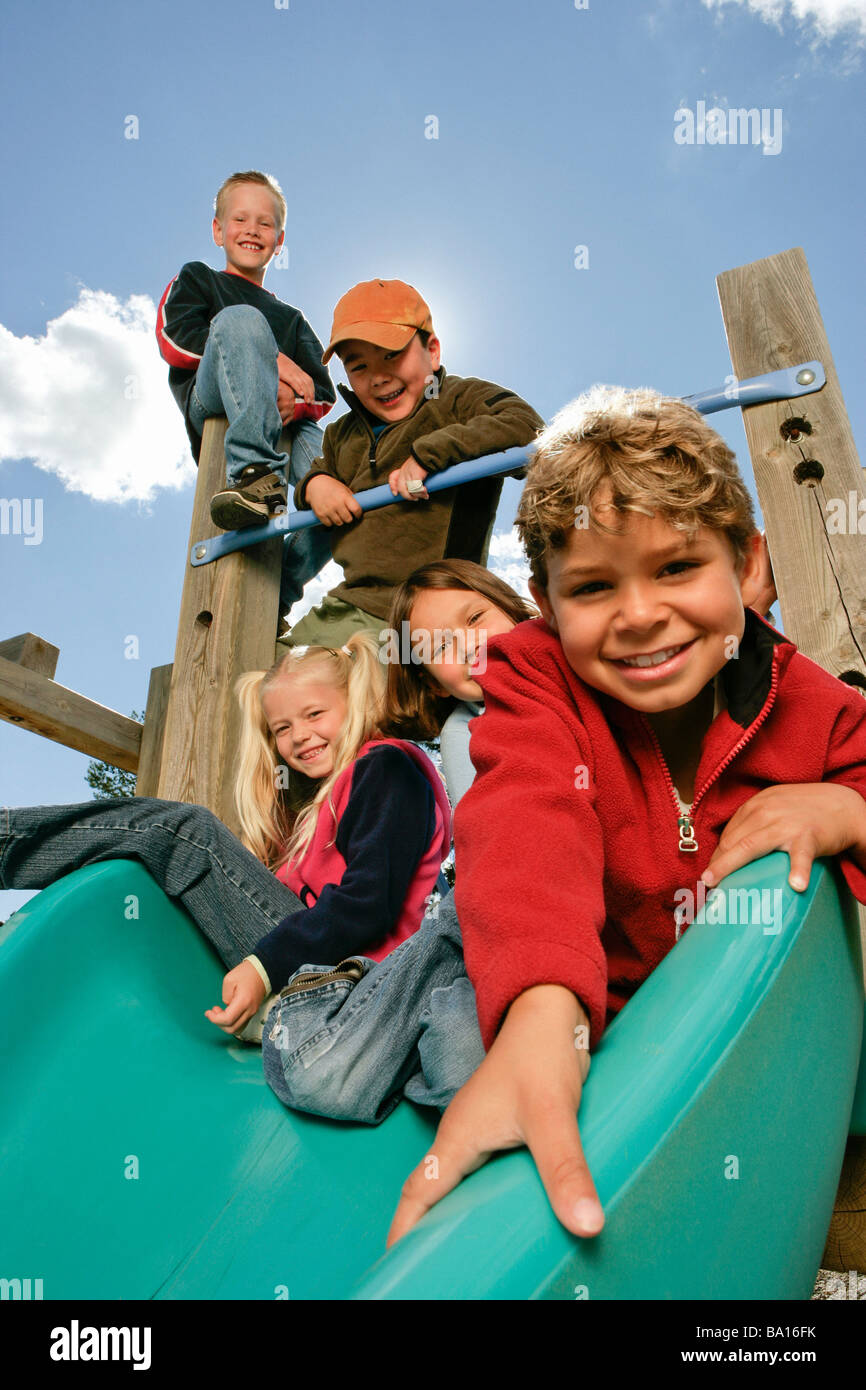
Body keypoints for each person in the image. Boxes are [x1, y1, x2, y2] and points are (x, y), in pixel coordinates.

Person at [388, 384, 866, 1246]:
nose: (642, 614)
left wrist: (847, 807)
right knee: (478, 1064)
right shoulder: (534, 681)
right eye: (594, 586)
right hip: (596, 1010)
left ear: (747, 564)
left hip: (747, 1011)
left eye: (678, 566)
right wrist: (540, 1011)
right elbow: (527, 818)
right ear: (546, 600)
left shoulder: (808, 702)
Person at [0, 635, 482, 1122]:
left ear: (354, 702)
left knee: (186, 834)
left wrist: (265, 965)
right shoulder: (317, 811)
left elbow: (369, 903)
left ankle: (5, 841)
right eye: (282, 728)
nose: (299, 736)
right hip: (323, 973)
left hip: (358, 983)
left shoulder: (387, 767)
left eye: (315, 715)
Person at [277, 277, 544, 654]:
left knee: (381, 694)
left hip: (435, 603)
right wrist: (316, 485)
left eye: (391, 355)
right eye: (359, 366)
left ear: (432, 351)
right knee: (278, 680)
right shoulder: (343, 433)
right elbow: (319, 472)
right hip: (355, 603)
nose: (379, 377)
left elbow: (526, 427)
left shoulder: (456, 400)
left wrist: (428, 455)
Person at [155, 169, 336, 610]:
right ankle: (255, 475)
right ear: (218, 230)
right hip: (213, 396)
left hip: (285, 421)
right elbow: (175, 340)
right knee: (241, 321)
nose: (252, 230)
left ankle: (281, 592)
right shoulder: (199, 278)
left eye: (265, 223)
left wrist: (296, 401)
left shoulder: (291, 317)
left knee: (342, 482)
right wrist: (269, 361)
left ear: (279, 238)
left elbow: (322, 391)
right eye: (239, 219)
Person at [384, 560, 537, 806]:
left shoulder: (572, 660)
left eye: (475, 618)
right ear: (436, 684)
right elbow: (483, 830)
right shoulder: (462, 734)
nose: (468, 647)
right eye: (442, 646)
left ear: (511, 609)